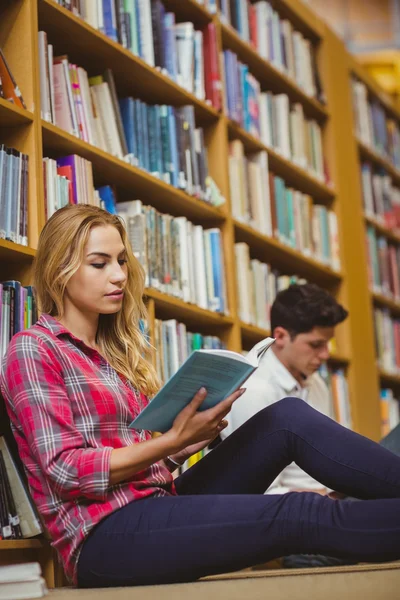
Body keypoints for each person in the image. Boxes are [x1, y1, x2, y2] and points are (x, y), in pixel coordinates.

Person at [2, 205, 400, 590]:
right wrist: (169, 441)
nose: (119, 275)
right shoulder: (34, 349)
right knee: (298, 512)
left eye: (122, 261)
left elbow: (144, 464)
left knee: (286, 418)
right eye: (99, 263)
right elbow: (65, 470)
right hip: (103, 537)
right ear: (60, 270)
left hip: (157, 500)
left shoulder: (114, 353)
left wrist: (183, 444)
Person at [221, 283, 348, 497]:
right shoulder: (252, 389)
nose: (326, 355)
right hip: (291, 511)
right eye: (316, 344)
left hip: (328, 498)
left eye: (328, 344)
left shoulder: (317, 384)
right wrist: (322, 496)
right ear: (280, 336)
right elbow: (258, 491)